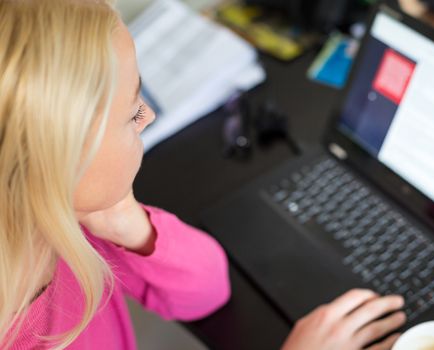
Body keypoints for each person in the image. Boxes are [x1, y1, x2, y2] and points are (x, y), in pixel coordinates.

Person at [0, 0, 406, 349]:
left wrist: (123, 217)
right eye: (131, 113)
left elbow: (205, 292)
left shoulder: (65, 220)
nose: (149, 116)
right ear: (61, 161)